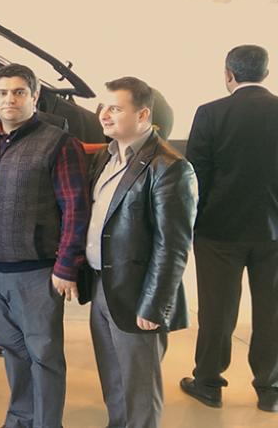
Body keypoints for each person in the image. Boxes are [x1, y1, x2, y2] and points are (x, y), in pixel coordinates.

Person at [0, 63, 91, 428]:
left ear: (35, 97)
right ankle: (21, 418)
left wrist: (66, 267)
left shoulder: (58, 143)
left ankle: (47, 423)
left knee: (44, 354)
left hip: (37, 272)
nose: (10, 99)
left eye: (19, 92)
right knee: (11, 348)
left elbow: (75, 209)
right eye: (2, 92)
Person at [82, 77, 196, 428]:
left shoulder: (170, 167)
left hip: (137, 295)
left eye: (115, 108)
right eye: (103, 107)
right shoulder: (105, 158)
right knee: (114, 380)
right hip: (102, 285)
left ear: (143, 114)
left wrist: (154, 304)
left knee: (139, 390)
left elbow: (172, 246)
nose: (104, 115)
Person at [181, 44, 278, 413]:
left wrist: (193, 223)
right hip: (274, 232)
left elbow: (196, 175)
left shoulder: (210, 113)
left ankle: (208, 383)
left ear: (228, 74)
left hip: (218, 230)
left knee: (217, 311)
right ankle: (270, 389)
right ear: (265, 73)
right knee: (273, 312)